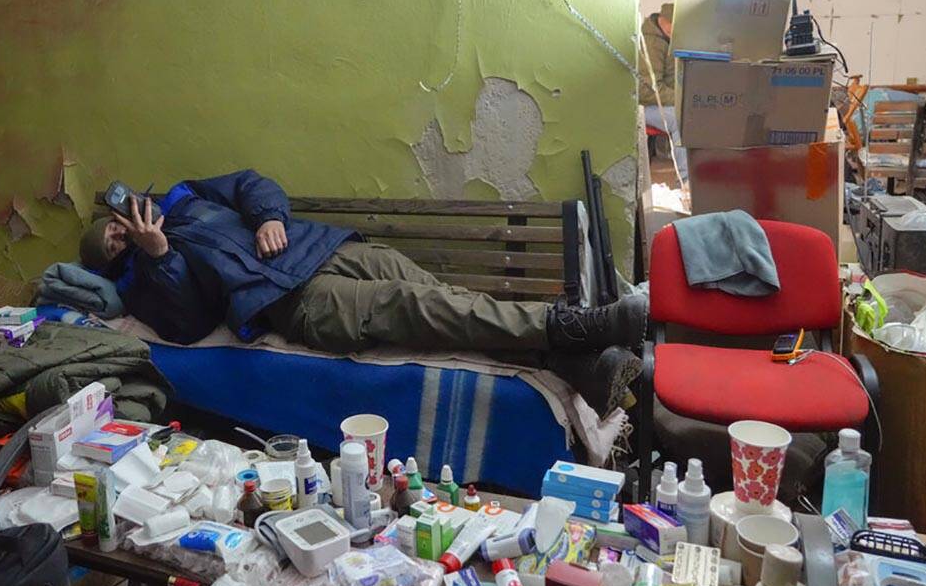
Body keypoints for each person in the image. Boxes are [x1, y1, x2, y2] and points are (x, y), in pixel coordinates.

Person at [79, 170, 647, 414]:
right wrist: (158, 259)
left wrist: (267, 217)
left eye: (114, 224)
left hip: (325, 248)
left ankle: (567, 365)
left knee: (441, 297)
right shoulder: (143, 282)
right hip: (296, 302)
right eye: (111, 244)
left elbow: (253, 184)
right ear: (116, 258)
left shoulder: (185, 195)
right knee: (420, 307)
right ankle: (576, 327)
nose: (119, 234)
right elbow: (189, 324)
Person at [638, 2, 674, 106]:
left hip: (665, 101)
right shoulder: (651, 44)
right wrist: (682, 100)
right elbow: (647, 90)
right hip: (651, 105)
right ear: (662, 20)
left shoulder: (665, 39)